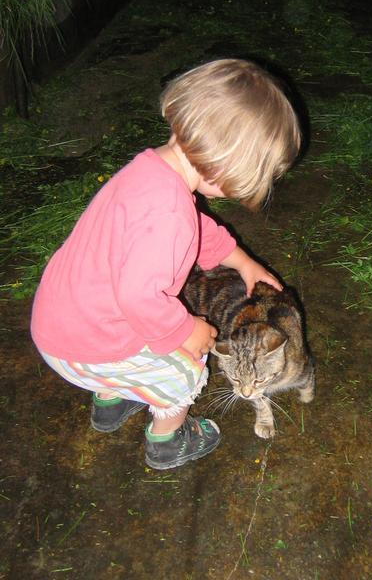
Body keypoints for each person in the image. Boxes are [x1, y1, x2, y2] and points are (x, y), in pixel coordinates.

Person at [30, 58, 302, 470]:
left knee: (149, 339)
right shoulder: (167, 215)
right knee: (188, 367)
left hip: (66, 317)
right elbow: (140, 299)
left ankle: (110, 401)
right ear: (225, 168)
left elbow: (197, 228)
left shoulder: (153, 172)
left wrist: (241, 261)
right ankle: (167, 440)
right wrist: (186, 330)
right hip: (84, 345)